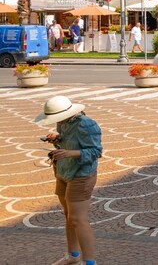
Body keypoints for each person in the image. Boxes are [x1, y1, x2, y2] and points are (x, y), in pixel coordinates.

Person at [36, 95, 102, 265]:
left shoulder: (86, 124)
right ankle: (73, 255)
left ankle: (89, 262)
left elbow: (96, 151)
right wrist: (57, 140)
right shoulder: (63, 122)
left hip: (81, 175)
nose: (56, 121)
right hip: (63, 171)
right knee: (68, 216)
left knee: (78, 219)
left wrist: (69, 153)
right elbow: (68, 143)